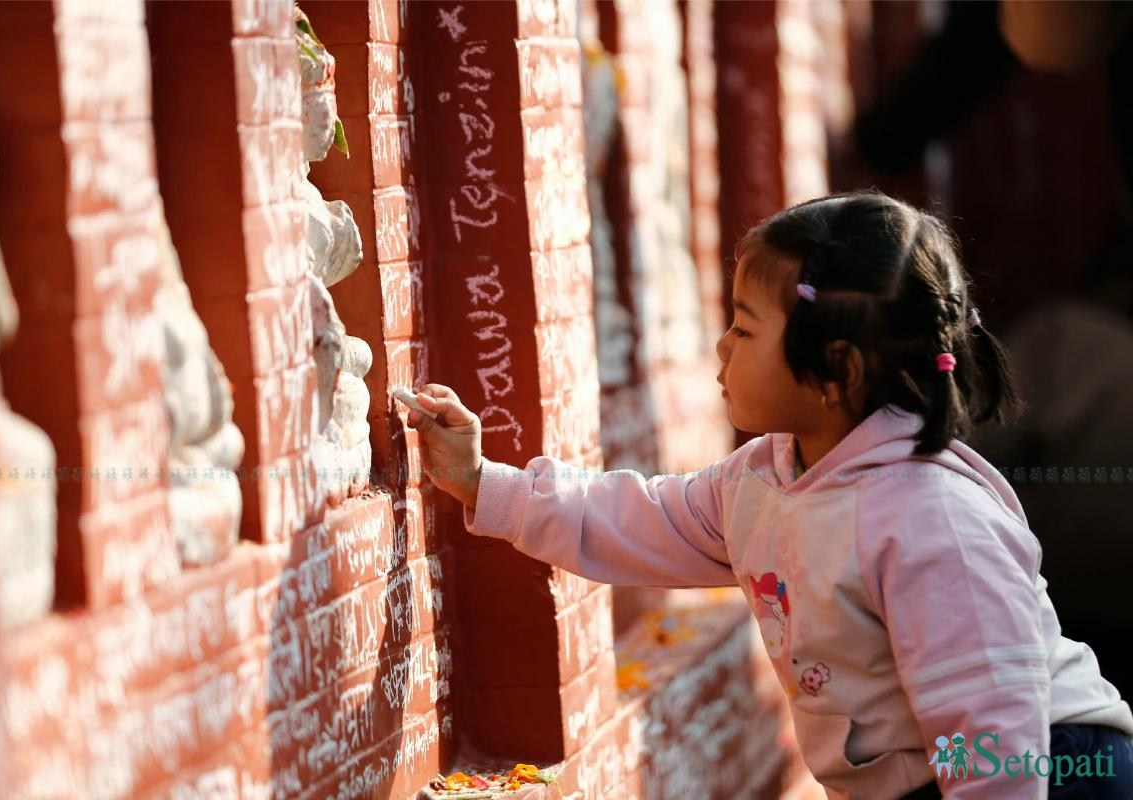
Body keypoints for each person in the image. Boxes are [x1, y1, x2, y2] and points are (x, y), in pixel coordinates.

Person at [404, 191, 1133, 798]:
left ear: (836, 370)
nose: (723, 346)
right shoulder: (762, 479)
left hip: (1054, 767)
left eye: (745, 328)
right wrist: (482, 481)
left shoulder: (931, 519)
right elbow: (641, 517)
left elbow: (994, 729)